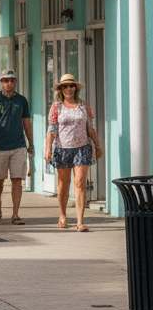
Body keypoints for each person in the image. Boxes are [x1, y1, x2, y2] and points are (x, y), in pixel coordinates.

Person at [45, 74, 103, 232]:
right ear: (61, 89)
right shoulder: (57, 106)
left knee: (80, 183)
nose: (68, 89)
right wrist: (48, 148)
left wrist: (97, 146)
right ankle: (62, 216)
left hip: (82, 148)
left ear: (75, 88)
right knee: (63, 185)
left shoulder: (84, 106)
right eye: (65, 86)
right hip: (63, 149)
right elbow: (52, 130)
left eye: (71, 86)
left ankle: (80, 221)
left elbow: (90, 128)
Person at [0, 69, 33, 225]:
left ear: (15, 82)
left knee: (17, 179)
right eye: (6, 81)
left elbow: (26, 121)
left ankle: (15, 214)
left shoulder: (21, 100)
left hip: (18, 145)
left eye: (12, 80)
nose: (9, 83)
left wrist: (30, 143)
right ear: (1, 82)